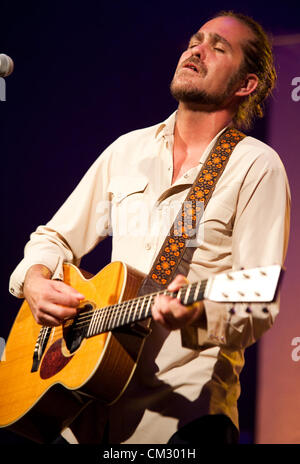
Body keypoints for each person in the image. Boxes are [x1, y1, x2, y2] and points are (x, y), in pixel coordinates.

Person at [9, 11, 290, 444]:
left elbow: (258, 303)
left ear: (246, 84)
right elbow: (54, 237)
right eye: (195, 40)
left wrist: (198, 313)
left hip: (183, 420)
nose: (197, 50)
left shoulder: (255, 166)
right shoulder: (127, 149)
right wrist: (34, 280)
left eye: (218, 47)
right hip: (83, 414)